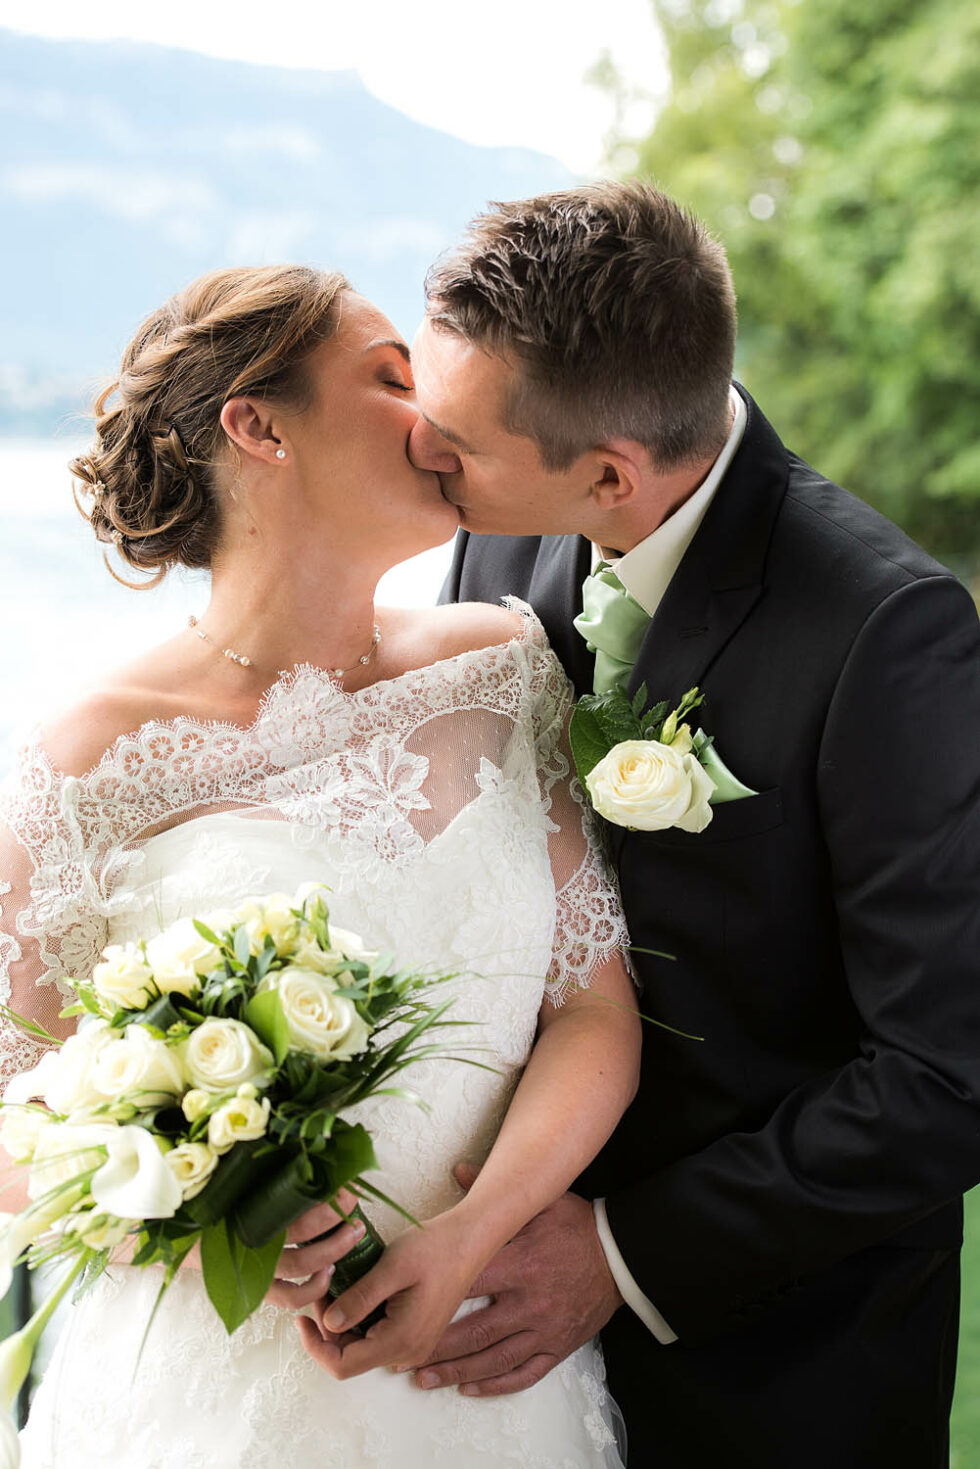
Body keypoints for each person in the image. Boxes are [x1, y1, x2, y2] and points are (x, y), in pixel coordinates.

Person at [0, 264, 641, 1468]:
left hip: (484, 1373)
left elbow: (593, 1007)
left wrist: (473, 1229)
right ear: (260, 425)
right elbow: (12, 1116)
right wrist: (209, 1215)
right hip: (213, 1396)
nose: (434, 416)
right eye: (393, 378)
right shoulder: (86, 757)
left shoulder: (503, 668)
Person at [410, 181, 980, 1468]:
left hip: (781, 1364)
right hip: (501, 1344)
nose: (419, 455)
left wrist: (620, 1252)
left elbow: (946, 1074)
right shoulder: (498, 537)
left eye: (454, 444)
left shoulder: (888, 633)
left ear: (608, 473)